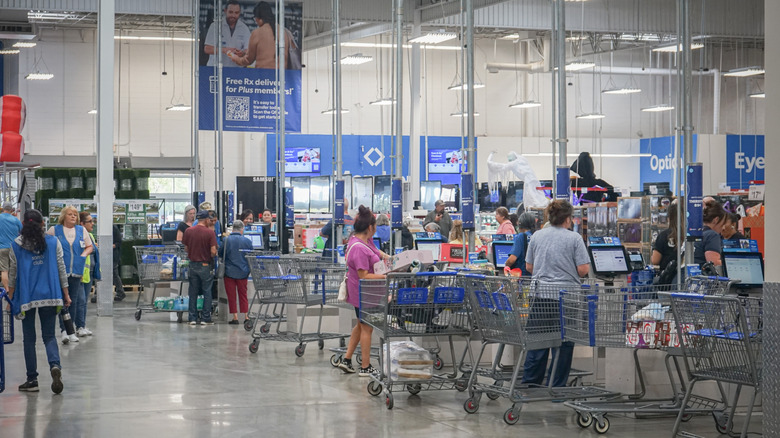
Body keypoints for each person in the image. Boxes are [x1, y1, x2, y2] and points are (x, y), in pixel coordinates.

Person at [521, 200, 590, 387]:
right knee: (564, 343)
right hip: (566, 297)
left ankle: (531, 383)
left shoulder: (537, 236)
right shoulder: (574, 238)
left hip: (540, 295)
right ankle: (556, 385)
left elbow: (529, 266)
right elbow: (583, 269)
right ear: (568, 219)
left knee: (538, 340)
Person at [8, 209, 70, 394]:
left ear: (23, 224)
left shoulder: (16, 245)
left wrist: (10, 298)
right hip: (51, 294)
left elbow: (13, 275)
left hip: (27, 297)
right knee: (49, 336)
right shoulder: (53, 242)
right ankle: (54, 365)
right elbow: (61, 269)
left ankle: (32, 380)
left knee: (29, 339)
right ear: (43, 223)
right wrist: (66, 294)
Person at [337, 206, 388, 377]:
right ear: (370, 227)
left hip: (365, 293)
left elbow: (376, 252)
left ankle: (347, 359)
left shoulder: (363, 240)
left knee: (360, 325)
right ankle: (366, 367)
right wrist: (385, 276)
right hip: (364, 294)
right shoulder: (358, 248)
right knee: (367, 328)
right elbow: (364, 275)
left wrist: (390, 259)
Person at [47, 206, 93, 345]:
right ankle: (64, 330)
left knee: (72, 301)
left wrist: (82, 256)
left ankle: (70, 330)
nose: (73, 216)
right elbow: (45, 246)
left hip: (76, 272)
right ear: (63, 216)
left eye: (75, 214)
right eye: (70, 214)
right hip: (59, 272)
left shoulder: (81, 230)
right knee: (61, 301)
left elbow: (89, 246)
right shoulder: (54, 230)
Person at [228, 2, 297, 69]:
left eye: (255, 18)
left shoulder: (257, 33)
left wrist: (234, 58)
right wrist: (243, 54)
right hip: (282, 75)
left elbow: (248, 60)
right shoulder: (285, 32)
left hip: (263, 75)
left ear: (258, 18)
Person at [182, 210, 218, 325]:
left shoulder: (188, 231)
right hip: (205, 265)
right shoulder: (210, 233)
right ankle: (205, 318)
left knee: (193, 292)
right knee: (207, 291)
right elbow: (213, 251)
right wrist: (212, 255)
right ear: (207, 220)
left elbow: (186, 248)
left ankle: (192, 318)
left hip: (192, 265)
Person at [220, 220, 253, 324]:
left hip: (229, 272)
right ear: (242, 229)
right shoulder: (248, 241)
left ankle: (235, 317)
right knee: (243, 294)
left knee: (231, 295)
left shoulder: (226, 240)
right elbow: (251, 256)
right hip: (243, 272)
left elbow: (220, 253)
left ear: (233, 229)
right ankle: (246, 316)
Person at [203, 0, 251, 68]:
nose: (233, 15)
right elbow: (207, 49)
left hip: (236, 70)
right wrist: (224, 50)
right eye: (230, 12)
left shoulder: (244, 28)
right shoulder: (215, 26)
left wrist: (242, 53)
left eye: (236, 13)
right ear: (225, 11)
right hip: (215, 69)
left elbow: (248, 51)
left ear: (239, 13)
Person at [77, 212, 100, 337]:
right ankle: (78, 326)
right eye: (90, 221)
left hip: (89, 273)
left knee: (84, 301)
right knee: (80, 301)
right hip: (80, 273)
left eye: (93, 221)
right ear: (82, 224)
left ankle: (82, 325)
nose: (93, 224)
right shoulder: (78, 236)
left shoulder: (90, 236)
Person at [694, 201, 727, 267]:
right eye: (723, 223)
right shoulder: (712, 235)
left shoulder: (695, 232)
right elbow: (714, 263)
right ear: (716, 220)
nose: (723, 228)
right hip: (701, 272)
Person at [651, 199, 680, 271]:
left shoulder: (664, 236)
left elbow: (655, 260)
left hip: (668, 274)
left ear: (668, 219)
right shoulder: (688, 235)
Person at [0, 201, 22, 291]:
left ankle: (7, 290)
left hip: (2, 248)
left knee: (4, 270)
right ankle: (14, 289)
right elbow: (22, 232)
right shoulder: (15, 220)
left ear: (3, 208)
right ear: (11, 210)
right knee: (14, 269)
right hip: (14, 248)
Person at [112, 224, 125, 302]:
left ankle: (120, 292)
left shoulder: (114, 228)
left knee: (114, 273)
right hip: (108, 254)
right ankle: (120, 291)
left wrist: (112, 246)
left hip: (114, 255)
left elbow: (119, 242)